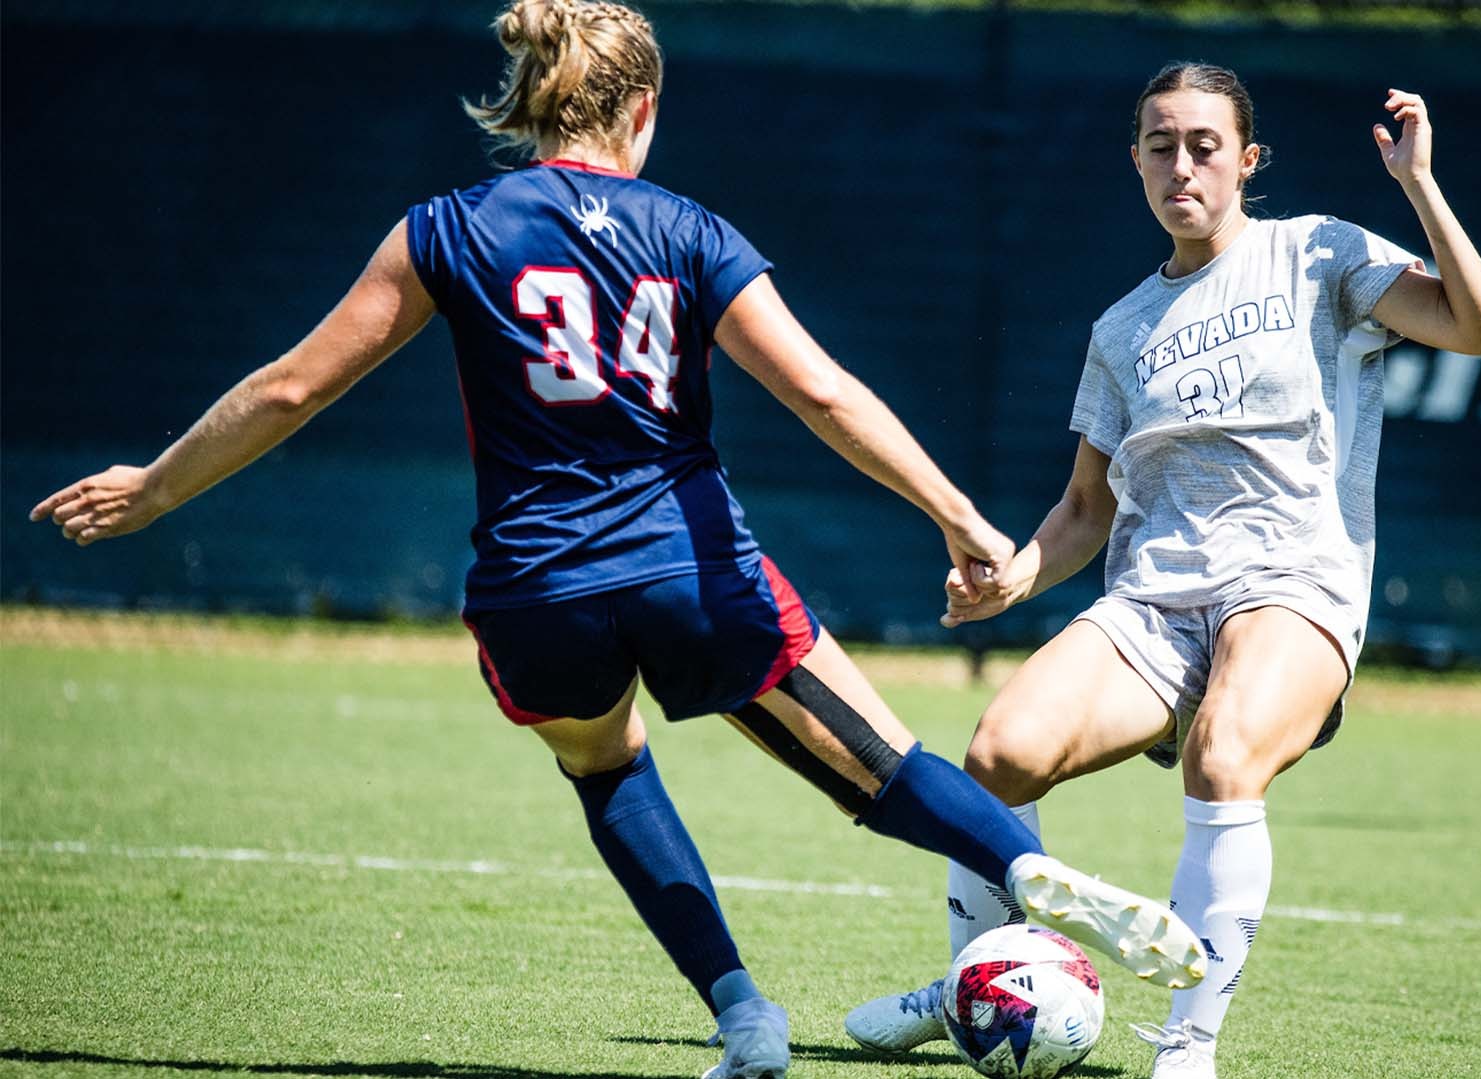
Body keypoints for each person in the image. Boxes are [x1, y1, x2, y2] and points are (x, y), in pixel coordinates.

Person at [27, 3, 1207, 1076]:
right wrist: (960, 518)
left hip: (536, 588)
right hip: (689, 566)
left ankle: (742, 1010)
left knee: (606, 766)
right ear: (641, 110)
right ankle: (1015, 862)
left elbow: (290, 389)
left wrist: (154, 487)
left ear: (534, 99)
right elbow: (826, 394)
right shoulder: (689, 230)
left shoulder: (448, 226)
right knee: (884, 768)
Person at [843, 62, 1481, 1079]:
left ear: (1246, 160)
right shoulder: (1120, 329)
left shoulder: (1319, 250)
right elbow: (1083, 510)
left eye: (1204, 144)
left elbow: (1480, 326)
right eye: (1161, 144)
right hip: (1153, 602)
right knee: (998, 753)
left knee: (1225, 752)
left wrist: (1419, 184)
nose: (1182, 163)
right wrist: (1012, 579)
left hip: (1293, 584)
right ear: (1138, 162)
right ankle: (981, 986)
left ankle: (1186, 1043)